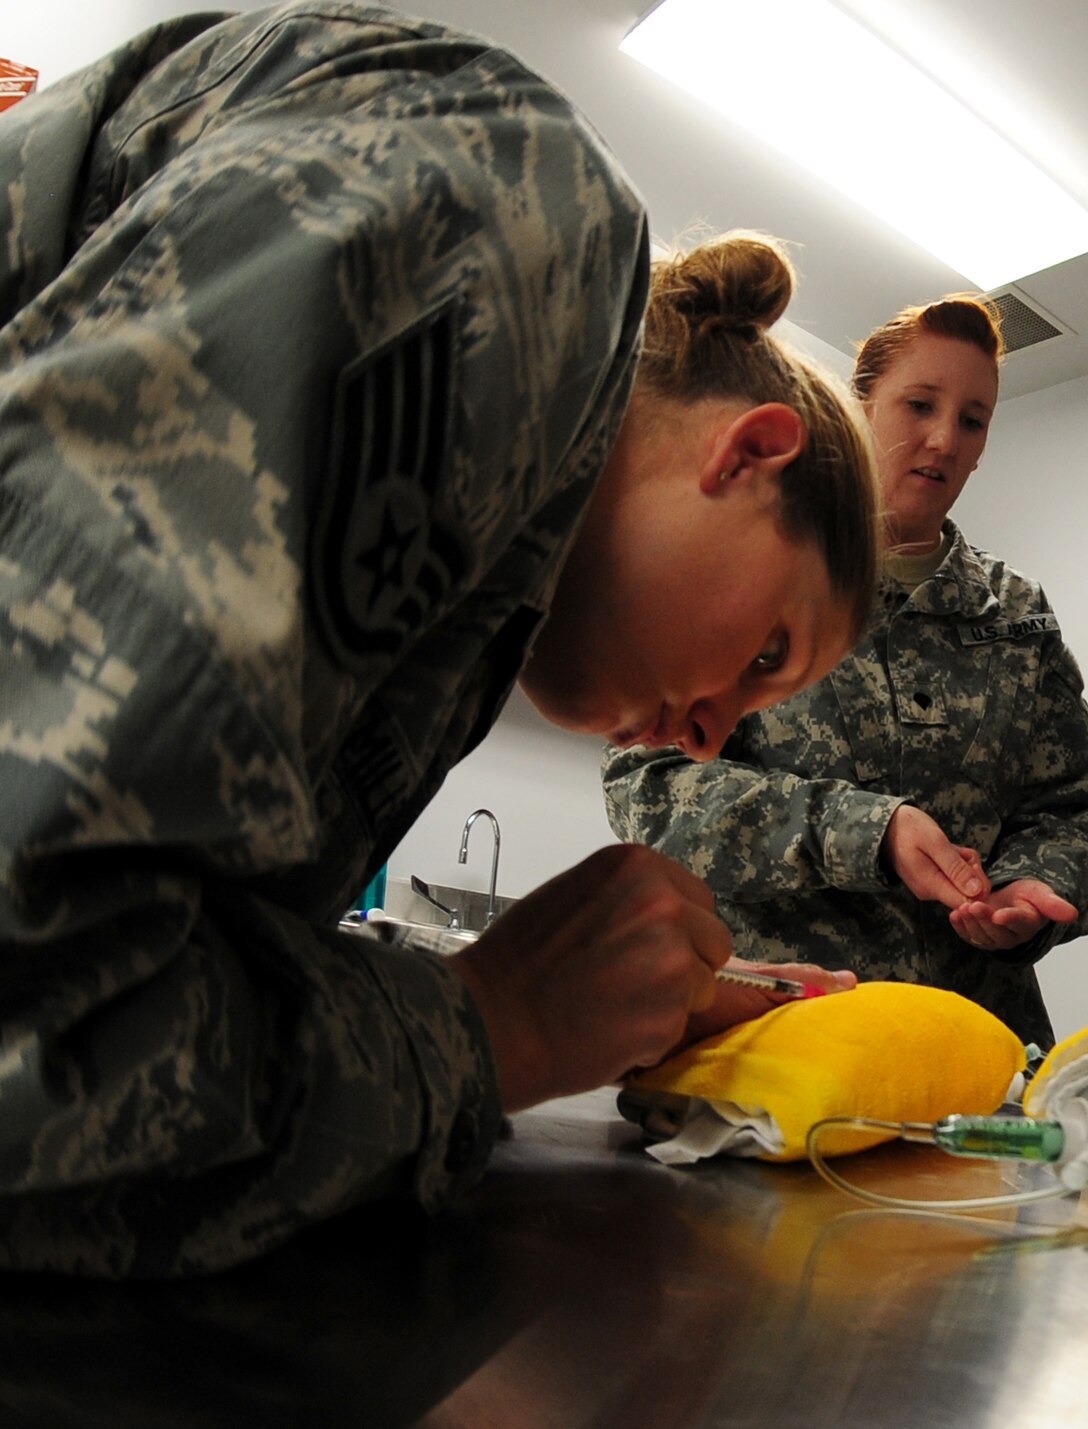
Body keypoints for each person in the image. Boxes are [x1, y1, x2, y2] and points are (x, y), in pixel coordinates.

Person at [0, 2, 881, 1276]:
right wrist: (492, 1024)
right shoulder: (525, 229)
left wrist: (530, 1009)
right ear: (748, 456)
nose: (710, 736)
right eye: (761, 658)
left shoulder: (481, 602)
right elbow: (38, 1009)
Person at [605, 297, 1088, 1048]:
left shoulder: (1016, 615)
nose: (943, 439)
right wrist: (866, 831)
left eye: (972, 420)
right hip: (781, 1027)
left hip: (971, 1045)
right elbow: (646, 788)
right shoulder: (763, 568)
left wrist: (1031, 891)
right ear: (862, 405)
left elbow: (1067, 810)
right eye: (919, 404)